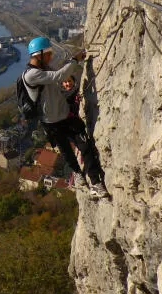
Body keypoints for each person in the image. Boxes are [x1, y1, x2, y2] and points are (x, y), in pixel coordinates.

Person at [23, 36, 108, 198]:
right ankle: (77, 174)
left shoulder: (45, 67)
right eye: (48, 53)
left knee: (85, 147)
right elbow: (58, 76)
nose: (51, 56)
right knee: (67, 153)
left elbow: (60, 70)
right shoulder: (31, 75)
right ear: (38, 54)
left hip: (66, 116)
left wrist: (74, 59)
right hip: (50, 122)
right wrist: (75, 60)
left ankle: (96, 182)